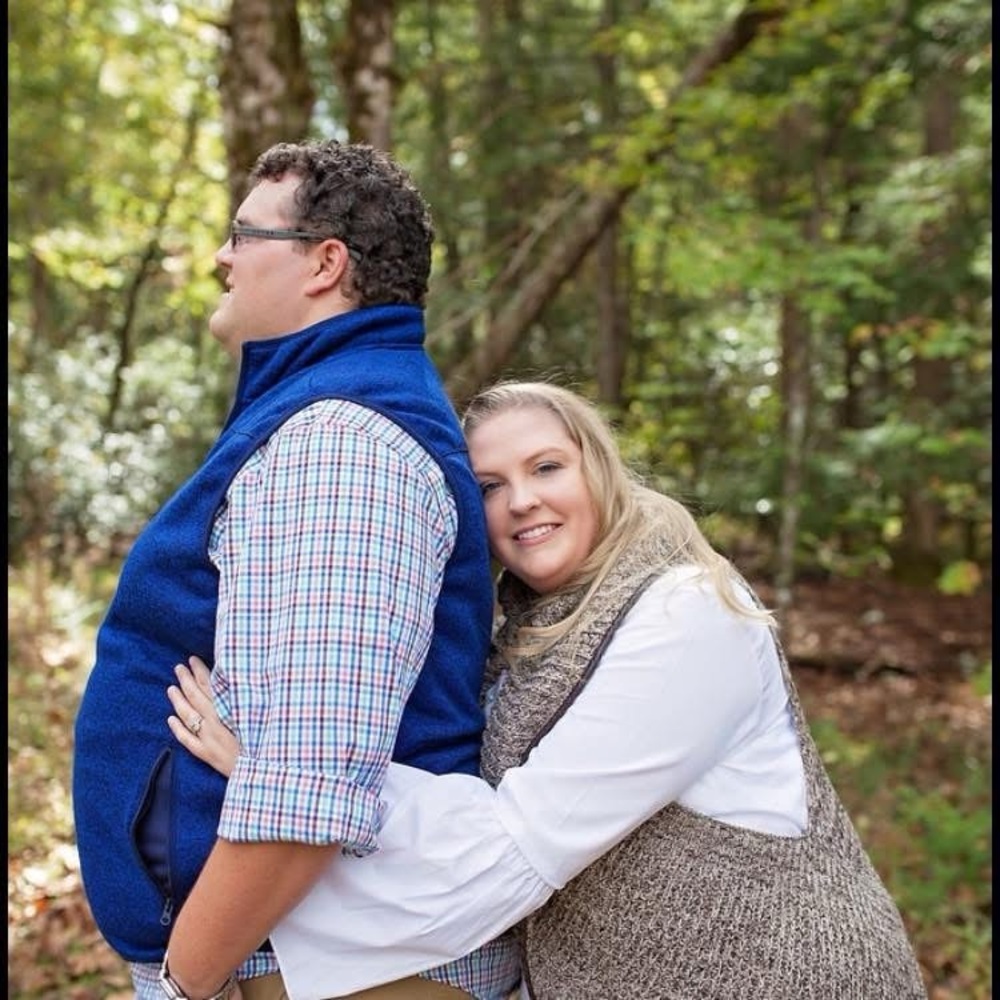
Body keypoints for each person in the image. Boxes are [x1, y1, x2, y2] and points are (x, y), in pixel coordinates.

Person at [169, 381, 928, 1000]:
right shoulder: (530, 635)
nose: (521, 501)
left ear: (598, 468)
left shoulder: (688, 611)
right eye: (491, 486)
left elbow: (517, 843)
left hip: (785, 979)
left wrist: (295, 778)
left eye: (546, 468)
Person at [71, 139, 495, 1000]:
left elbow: (308, 793)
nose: (222, 256)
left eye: (243, 233)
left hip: (319, 965)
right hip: (293, 956)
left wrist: (187, 984)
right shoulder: (321, 415)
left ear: (324, 263)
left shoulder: (343, 443)